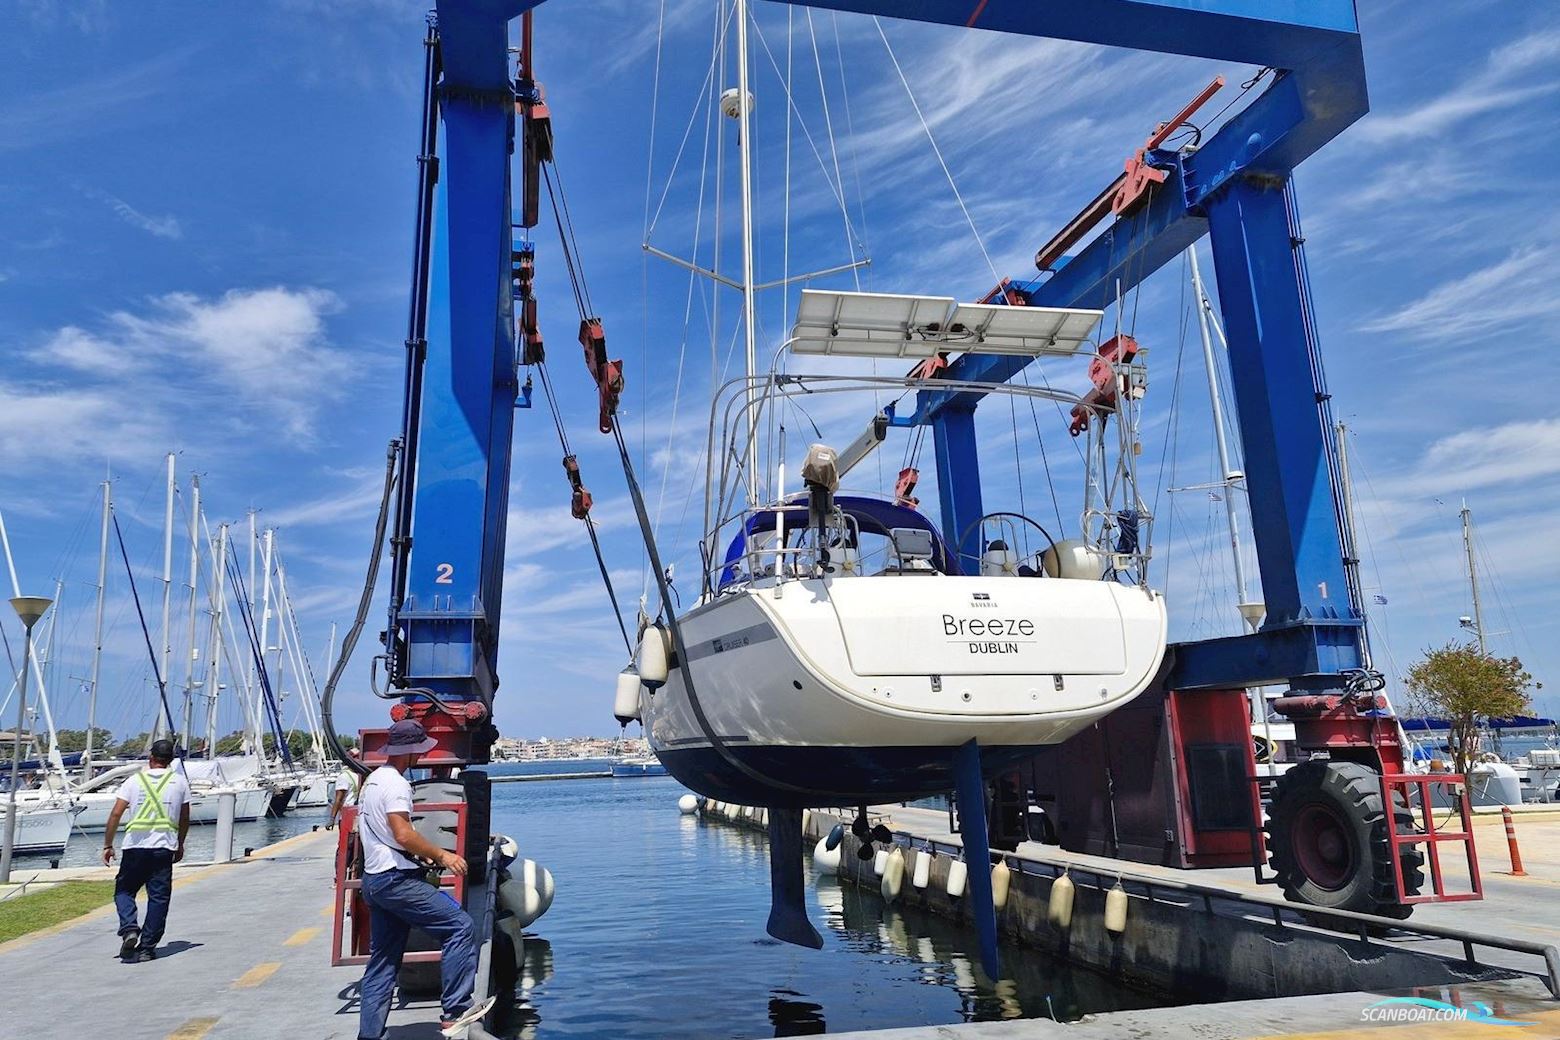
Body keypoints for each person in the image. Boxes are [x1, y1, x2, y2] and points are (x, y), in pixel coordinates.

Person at [356, 719, 485, 1040]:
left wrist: (418, 853)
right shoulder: (398, 785)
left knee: (383, 962)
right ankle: (455, 1011)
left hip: (374, 880)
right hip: (396, 880)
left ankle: (368, 1035)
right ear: (411, 752)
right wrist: (443, 856)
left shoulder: (372, 781)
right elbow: (402, 833)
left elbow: (385, 834)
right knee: (460, 927)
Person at [102, 738, 191, 963]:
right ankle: (147, 948)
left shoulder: (134, 781)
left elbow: (116, 814)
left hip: (135, 846)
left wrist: (108, 845)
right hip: (163, 848)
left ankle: (130, 928)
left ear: (151, 758)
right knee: (159, 898)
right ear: (170, 760)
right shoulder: (180, 782)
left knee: (124, 891)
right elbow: (184, 817)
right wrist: (180, 844)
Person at [326, 747, 364, 830]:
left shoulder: (358, 774)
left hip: (355, 815)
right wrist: (332, 819)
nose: (359, 759)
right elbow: (338, 799)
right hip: (346, 816)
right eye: (356, 757)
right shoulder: (344, 776)